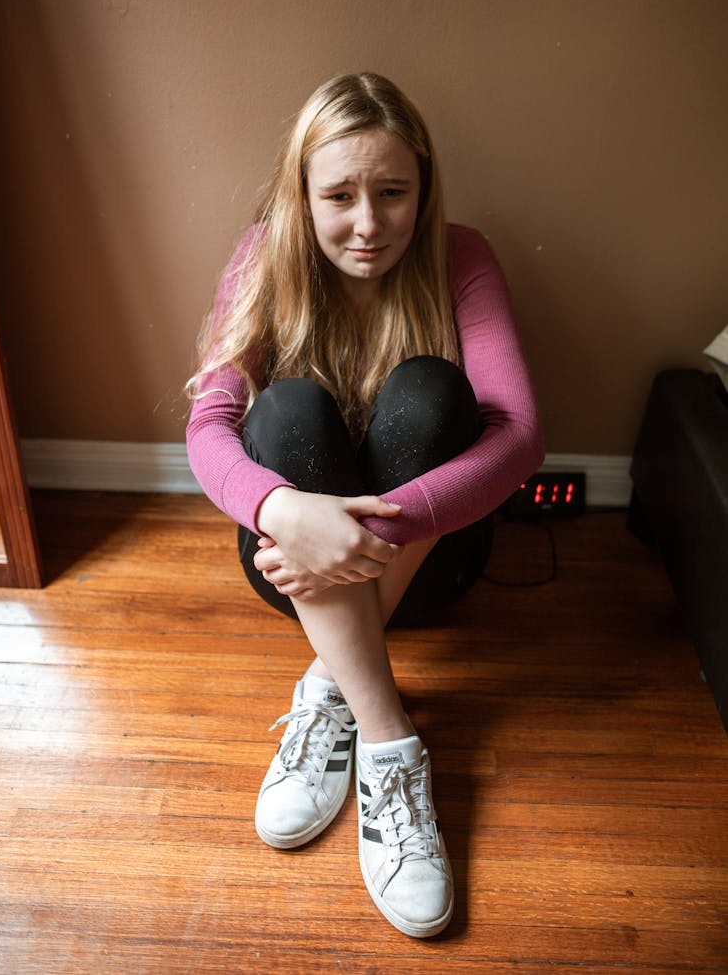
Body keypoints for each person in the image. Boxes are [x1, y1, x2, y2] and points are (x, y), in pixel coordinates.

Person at [186, 71, 544, 938]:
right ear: (301, 194)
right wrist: (282, 512)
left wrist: (376, 523)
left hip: (432, 560)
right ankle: (389, 742)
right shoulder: (263, 253)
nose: (369, 222)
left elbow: (521, 435)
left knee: (431, 392)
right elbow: (211, 424)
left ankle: (329, 686)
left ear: (423, 184)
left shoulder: (461, 255)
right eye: (339, 194)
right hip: (290, 555)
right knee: (285, 407)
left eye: (393, 192)